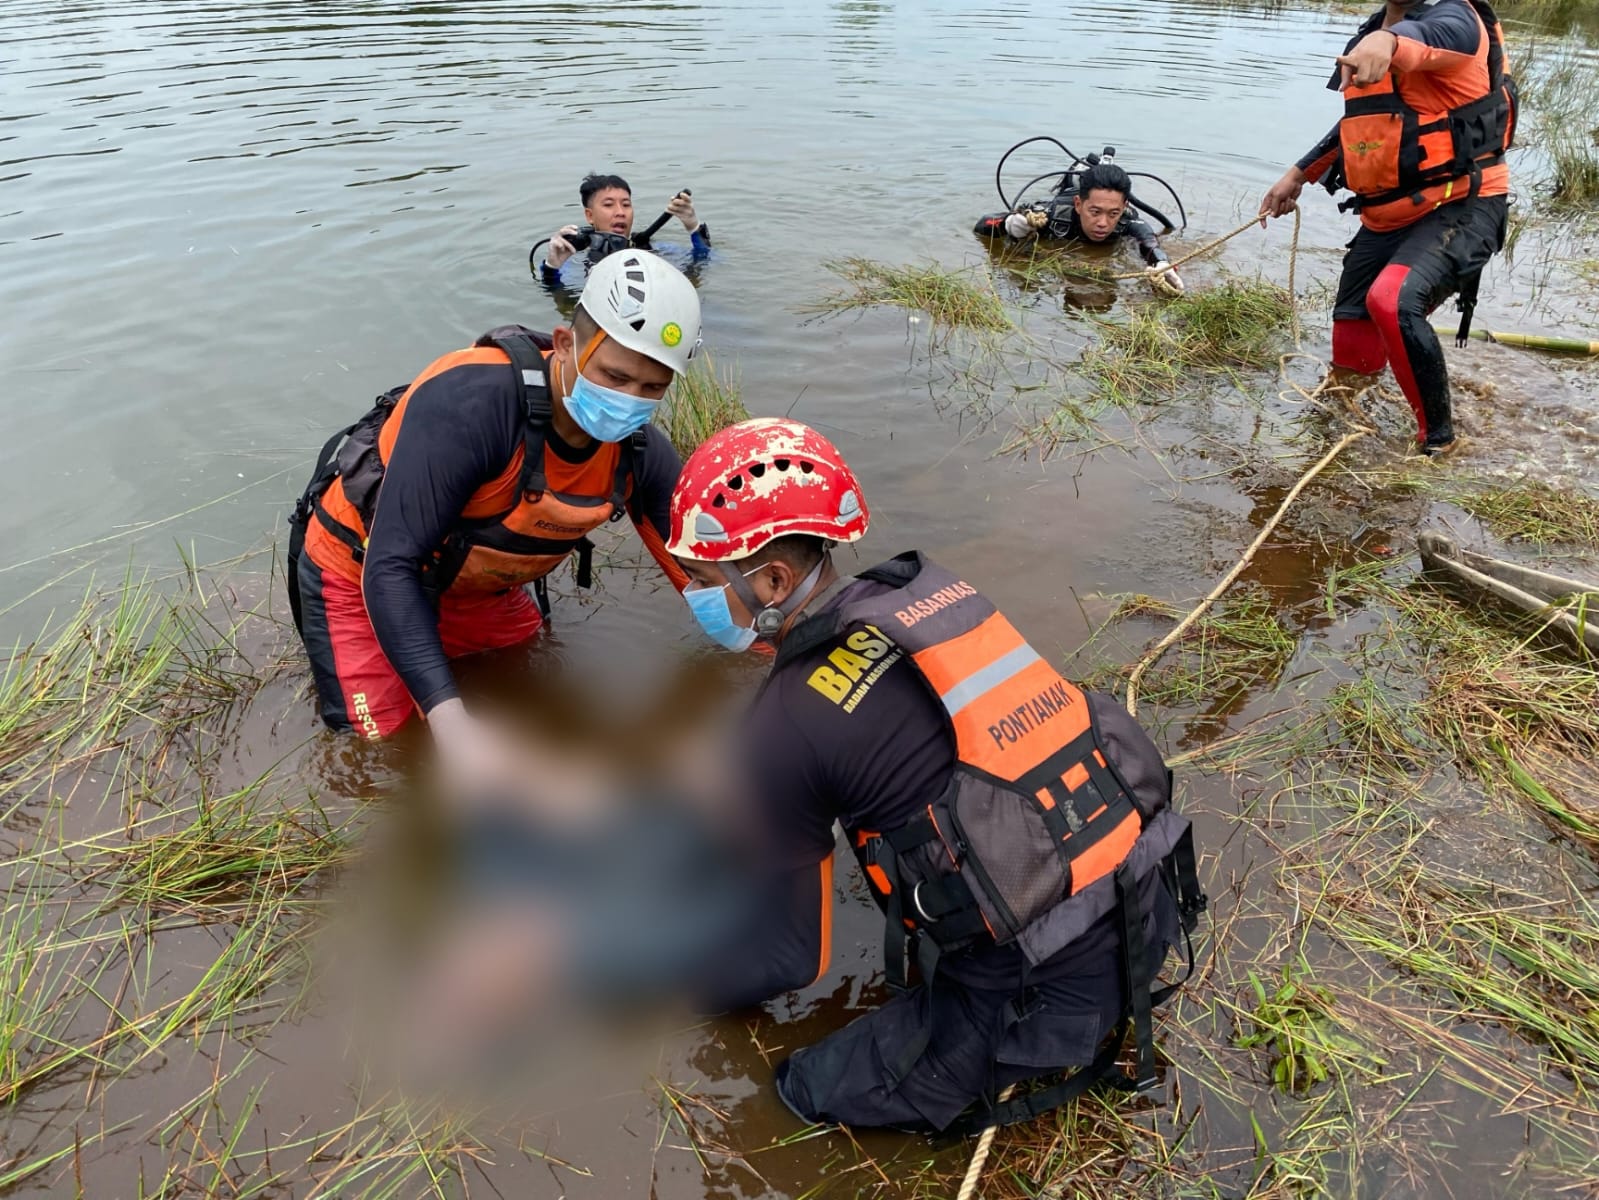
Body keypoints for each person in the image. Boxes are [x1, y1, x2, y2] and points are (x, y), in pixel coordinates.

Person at [666, 418, 1206, 1133]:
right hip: (1149, 898)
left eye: (704, 580)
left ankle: (1021, 1039)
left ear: (772, 580)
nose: (693, 595)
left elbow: (793, 961)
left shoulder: (782, 723)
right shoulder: (923, 592)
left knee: (798, 1092)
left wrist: (676, 985)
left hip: (1054, 990)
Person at [286, 249, 702, 759]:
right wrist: (453, 726)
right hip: (361, 573)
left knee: (527, 680)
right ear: (565, 344)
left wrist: (778, 646)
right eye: (615, 378)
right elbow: (391, 566)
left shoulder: (641, 453)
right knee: (384, 754)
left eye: (653, 387)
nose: (630, 399)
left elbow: (707, 575)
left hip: (474, 586)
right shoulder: (472, 407)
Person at [1259, 0, 1516, 457]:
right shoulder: (1368, 33)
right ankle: (1347, 428)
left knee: (1392, 300)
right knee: (1351, 348)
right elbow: (1361, 122)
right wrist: (1298, 174)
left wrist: (1387, 40)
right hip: (1384, 217)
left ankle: (1439, 445)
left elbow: (1424, 41)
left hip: (1461, 205)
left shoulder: (1457, 20)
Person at [976, 161, 1185, 296]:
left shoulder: (1127, 222)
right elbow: (982, 225)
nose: (1103, 223)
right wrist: (1008, 225)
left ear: (1124, 207)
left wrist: (1161, 263)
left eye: (1113, 213)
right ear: (1078, 204)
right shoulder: (1053, 216)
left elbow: (1149, 241)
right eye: (1095, 212)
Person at [535, 173, 711, 290]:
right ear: (590, 215)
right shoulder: (574, 262)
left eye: (626, 204)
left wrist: (694, 228)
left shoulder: (655, 250)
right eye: (608, 205)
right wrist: (551, 267)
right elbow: (558, 294)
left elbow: (707, 262)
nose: (620, 212)